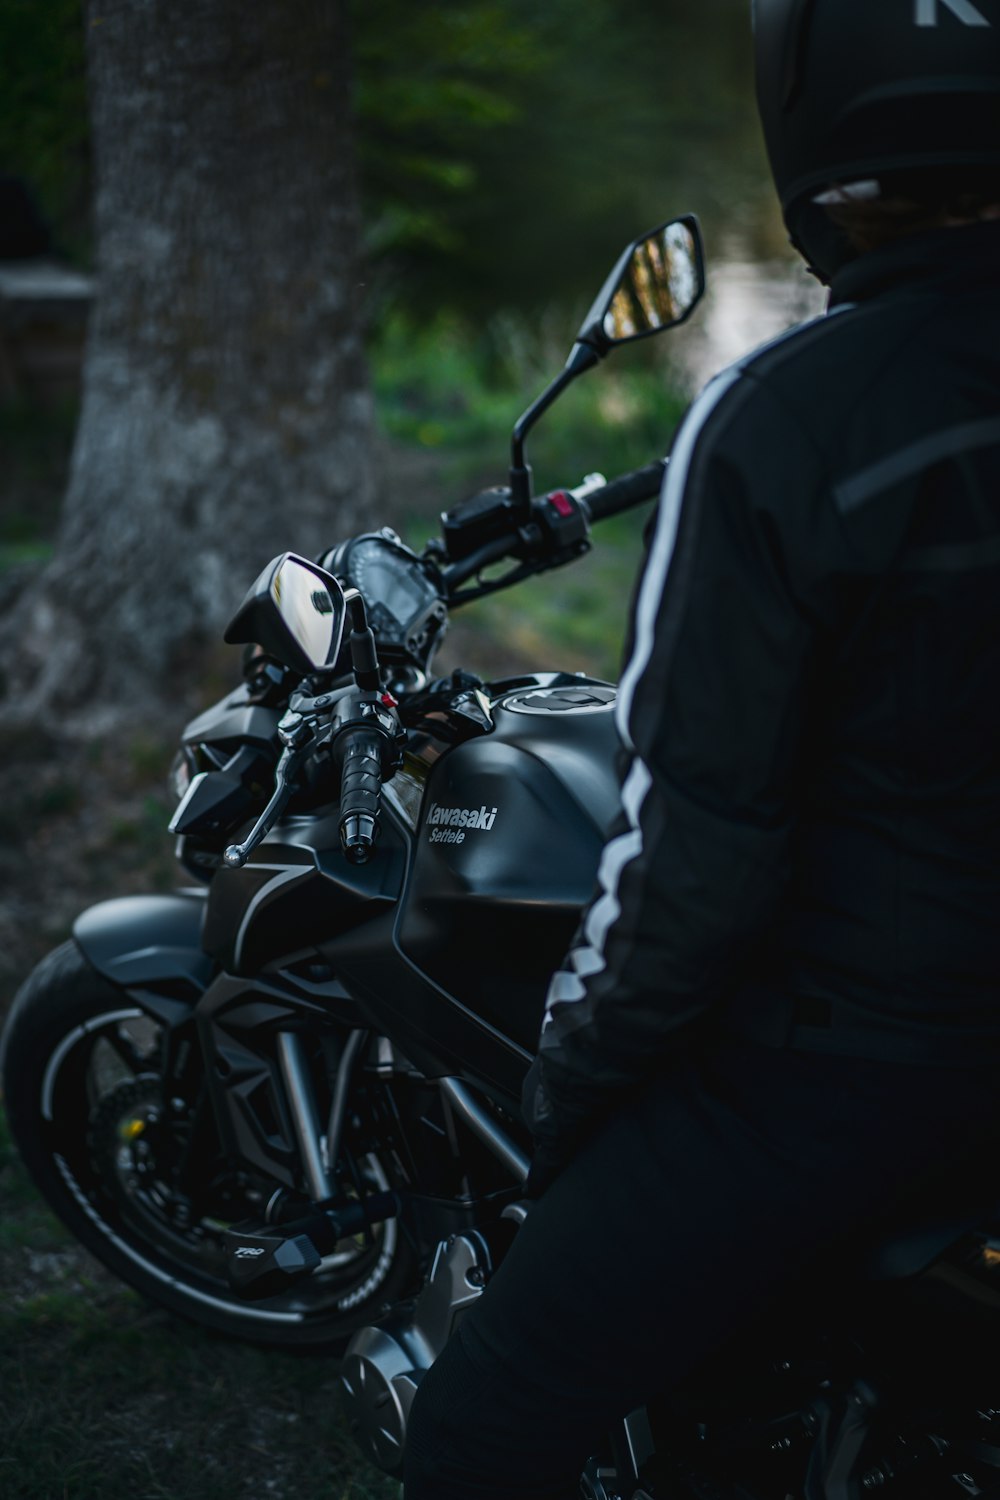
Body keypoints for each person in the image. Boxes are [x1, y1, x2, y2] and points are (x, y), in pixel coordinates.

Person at [403, 2, 1000, 1495]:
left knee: (488, 1421)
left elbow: (698, 853)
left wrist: (577, 1085)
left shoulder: (786, 415)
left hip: (871, 1058)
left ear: (813, 125)